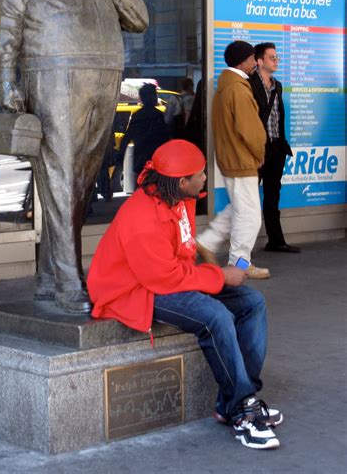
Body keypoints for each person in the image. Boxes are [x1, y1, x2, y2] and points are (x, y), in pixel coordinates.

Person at [0, 0, 149, 313]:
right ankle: (67, 280)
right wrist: (8, 80)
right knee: (61, 179)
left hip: (103, 82)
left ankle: (48, 276)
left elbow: (139, 20)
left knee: (79, 185)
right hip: (53, 80)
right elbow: (8, 29)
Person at [88, 140, 282, 450]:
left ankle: (240, 398)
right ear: (182, 181)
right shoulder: (142, 217)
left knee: (251, 303)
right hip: (137, 291)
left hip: (166, 278)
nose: (205, 178)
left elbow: (183, 256)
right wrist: (219, 276)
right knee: (214, 316)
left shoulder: (180, 198)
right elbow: (164, 279)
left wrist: (215, 275)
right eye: (201, 174)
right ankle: (242, 408)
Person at [196, 41, 270, 279]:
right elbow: (251, 130)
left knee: (239, 207)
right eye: (252, 59)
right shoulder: (238, 89)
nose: (255, 63)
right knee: (249, 215)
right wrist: (259, 153)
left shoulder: (227, 86)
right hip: (242, 160)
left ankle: (207, 241)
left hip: (232, 158)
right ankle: (240, 263)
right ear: (242, 61)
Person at [250, 43, 300, 254]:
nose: (276, 60)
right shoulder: (249, 84)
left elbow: (278, 117)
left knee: (273, 195)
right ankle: (243, 248)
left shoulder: (277, 85)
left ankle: (276, 241)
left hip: (276, 147)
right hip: (257, 149)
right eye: (272, 57)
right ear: (259, 61)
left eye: (277, 57)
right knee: (249, 197)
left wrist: (280, 145)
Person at [118, 83, 169, 180]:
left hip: (140, 161)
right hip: (156, 161)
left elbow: (128, 136)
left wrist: (121, 154)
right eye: (154, 95)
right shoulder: (158, 115)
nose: (156, 97)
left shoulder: (138, 116)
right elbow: (165, 138)